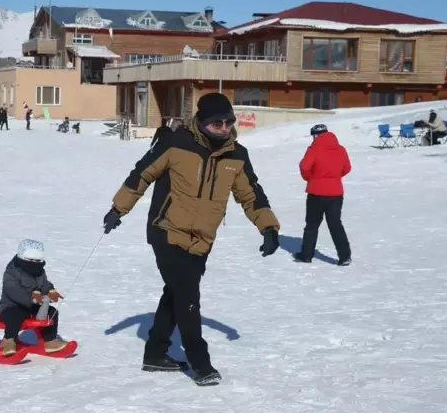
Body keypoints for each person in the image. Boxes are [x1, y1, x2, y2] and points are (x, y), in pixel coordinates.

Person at [101, 92, 281, 386]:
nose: (224, 129)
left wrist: (268, 228)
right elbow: (141, 175)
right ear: (202, 122)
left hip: (202, 240)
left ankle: (155, 353)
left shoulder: (236, 156)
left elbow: (251, 195)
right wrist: (118, 209)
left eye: (228, 122)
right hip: (166, 230)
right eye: (217, 123)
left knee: (177, 294)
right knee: (187, 297)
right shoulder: (176, 143)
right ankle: (201, 363)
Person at [0, 239, 69, 356]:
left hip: (31, 307)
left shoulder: (39, 271)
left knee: (52, 312)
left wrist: (50, 290)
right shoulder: (12, 272)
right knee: (15, 314)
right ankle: (8, 340)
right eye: (30, 260)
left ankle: (50, 340)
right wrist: (32, 298)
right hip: (10, 307)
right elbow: (12, 290)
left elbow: (44, 284)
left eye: (37, 260)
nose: (33, 263)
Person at [294, 124, 352, 266]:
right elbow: (347, 168)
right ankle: (345, 257)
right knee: (335, 224)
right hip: (336, 193)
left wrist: (311, 178)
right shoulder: (340, 149)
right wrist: (334, 178)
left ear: (315, 135)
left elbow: (304, 167)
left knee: (312, 225)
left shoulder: (313, 149)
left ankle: (306, 255)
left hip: (316, 192)